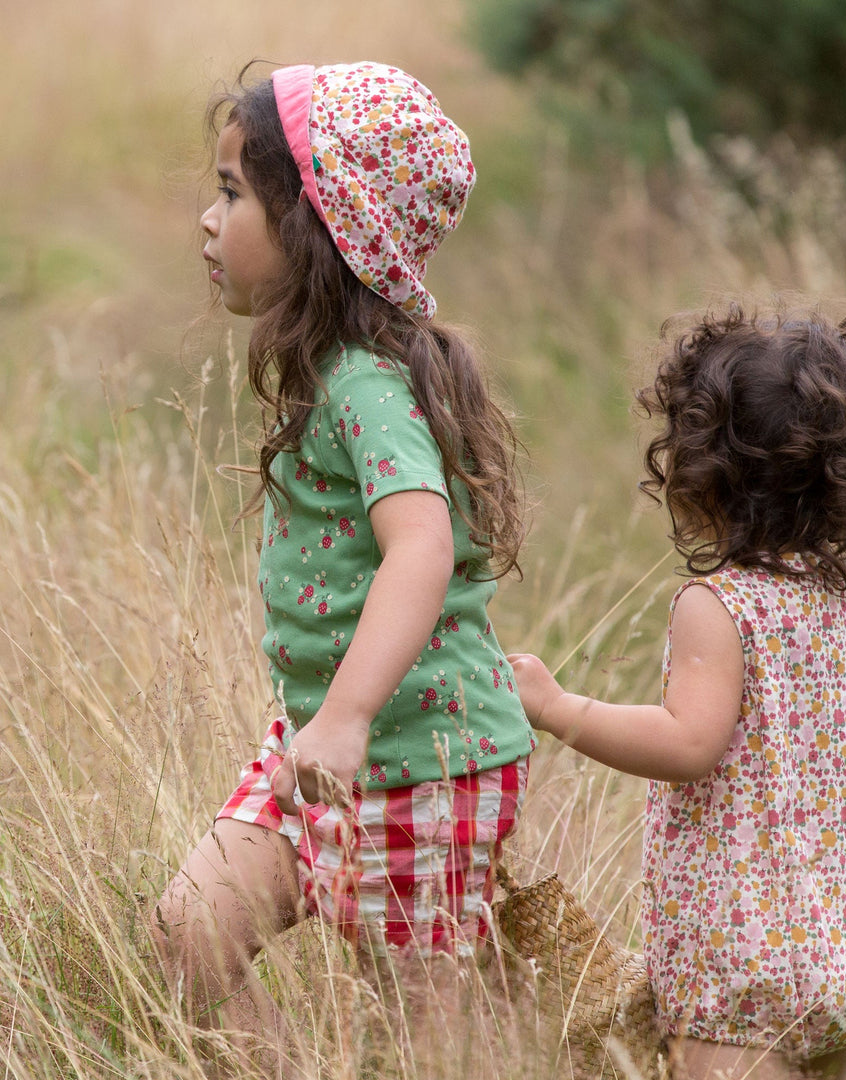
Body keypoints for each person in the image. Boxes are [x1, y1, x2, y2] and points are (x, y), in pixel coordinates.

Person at [151, 60, 536, 1065]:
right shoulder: (333, 374)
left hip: (424, 766)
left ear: (318, 228)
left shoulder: (367, 382)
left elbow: (423, 542)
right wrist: (329, 727)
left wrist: (351, 714)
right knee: (190, 929)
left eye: (235, 194)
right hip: (321, 746)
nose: (208, 218)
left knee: (421, 1037)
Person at [508, 305, 846, 1080]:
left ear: (702, 474)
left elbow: (689, 744)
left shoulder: (720, 605)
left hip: (744, 973)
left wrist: (557, 708)